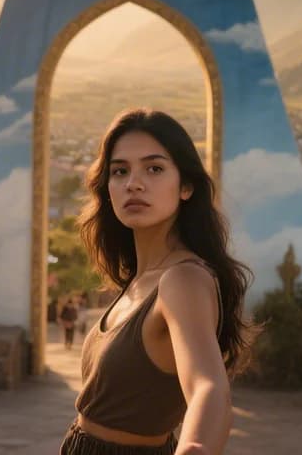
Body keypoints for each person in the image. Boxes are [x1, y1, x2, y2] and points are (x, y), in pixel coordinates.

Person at [61, 109, 252, 455]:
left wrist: (196, 447)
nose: (134, 182)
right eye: (120, 171)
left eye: (154, 168)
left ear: (186, 186)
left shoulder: (183, 279)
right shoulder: (139, 280)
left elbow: (209, 387)